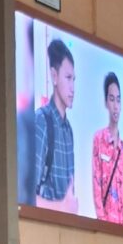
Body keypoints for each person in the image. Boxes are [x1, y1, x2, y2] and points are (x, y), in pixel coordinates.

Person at [35, 39, 77, 214]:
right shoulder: (41, 121)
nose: (73, 88)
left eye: (74, 79)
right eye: (68, 78)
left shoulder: (68, 130)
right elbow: (25, 196)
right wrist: (62, 207)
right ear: (54, 76)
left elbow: (69, 195)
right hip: (42, 226)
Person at [92, 73, 123, 226]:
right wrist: (103, 222)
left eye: (118, 100)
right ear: (106, 102)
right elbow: (96, 185)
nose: (116, 106)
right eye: (111, 99)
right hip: (105, 225)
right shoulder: (99, 139)